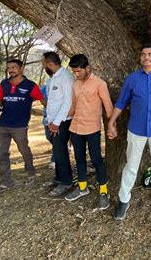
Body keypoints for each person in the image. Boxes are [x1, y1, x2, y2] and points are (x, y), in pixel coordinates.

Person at [107, 43, 151, 220]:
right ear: (140, 59)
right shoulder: (132, 79)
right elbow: (121, 103)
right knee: (131, 166)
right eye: (143, 55)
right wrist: (111, 123)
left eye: (150, 54)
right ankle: (123, 201)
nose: (146, 57)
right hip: (136, 130)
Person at [65, 54, 113, 210]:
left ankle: (104, 191)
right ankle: (82, 187)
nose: (76, 74)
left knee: (97, 160)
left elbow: (108, 106)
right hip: (76, 128)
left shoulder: (100, 84)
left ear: (87, 68)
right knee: (79, 159)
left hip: (92, 129)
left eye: (79, 71)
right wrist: (61, 120)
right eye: (74, 72)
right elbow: (73, 105)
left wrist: (112, 125)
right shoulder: (76, 85)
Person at [0, 59, 45, 195]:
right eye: (9, 67)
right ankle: (6, 182)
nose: (11, 70)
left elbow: (43, 101)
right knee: (2, 154)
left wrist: (52, 116)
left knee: (24, 150)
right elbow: (1, 101)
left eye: (14, 67)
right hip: (3, 125)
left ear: (22, 68)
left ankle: (31, 174)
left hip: (20, 126)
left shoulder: (30, 85)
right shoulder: (4, 84)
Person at [42, 51, 75, 197]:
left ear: (50, 64)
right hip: (53, 121)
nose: (43, 67)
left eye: (44, 64)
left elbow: (68, 101)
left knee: (61, 151)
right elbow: (53, 101)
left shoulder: (66, 77)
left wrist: (56, 122)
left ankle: (66, 181)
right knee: (57, 150)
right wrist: (50, 121)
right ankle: (59, 177)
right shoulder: (54, 78)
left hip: (62, 121)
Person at [40, 81, 55, 169]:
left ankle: (54, 160)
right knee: (48, 137)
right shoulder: (45, 88)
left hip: (57, 117)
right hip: (47, 117)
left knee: (56, 139)